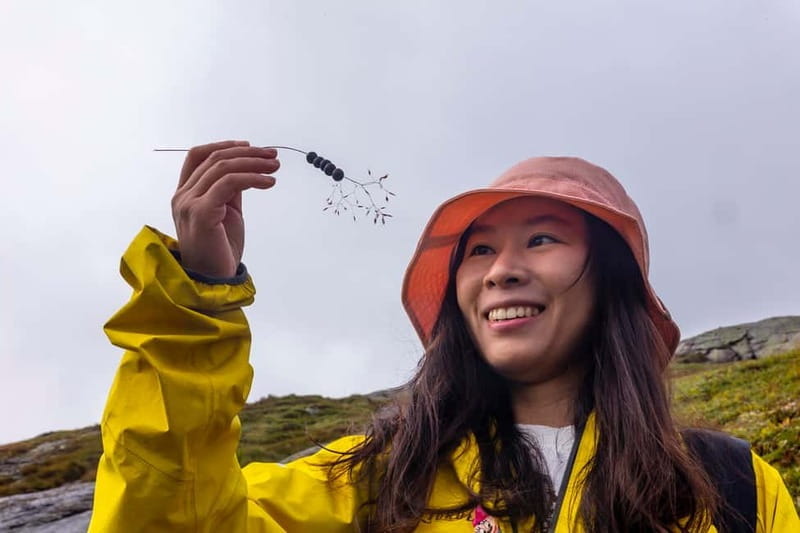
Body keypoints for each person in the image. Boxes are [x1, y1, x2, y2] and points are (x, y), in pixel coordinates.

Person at [88, 140, 798, 532]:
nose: (500, 271)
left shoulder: (731, 490)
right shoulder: (377, 479)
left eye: (542, 239)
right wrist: (198, 297)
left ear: (611, 279)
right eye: (479, 250)